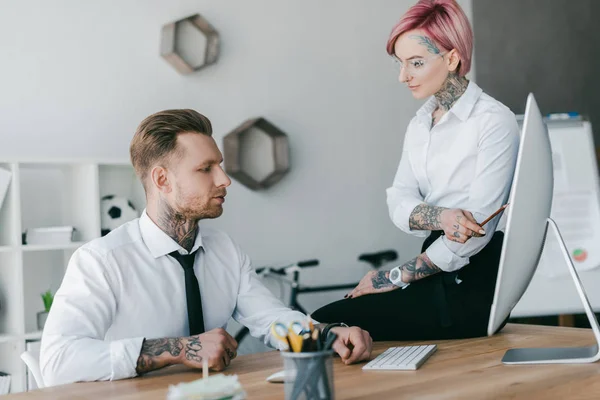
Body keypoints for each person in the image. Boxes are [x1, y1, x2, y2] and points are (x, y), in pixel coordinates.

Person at [40, 109, 373, 386]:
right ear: (161, 180)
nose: (224, 180)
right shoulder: (101, 261)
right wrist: (179, 349)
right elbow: (57, 361)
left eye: (220, 165)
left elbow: (270, 319)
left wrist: (326, 335)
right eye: (205, 169)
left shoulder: (225, 249)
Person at [312, 0, 519, 341]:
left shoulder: (494, 121)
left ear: (452, 59)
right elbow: (398, 200)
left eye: (416, 63)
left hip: (470, 286)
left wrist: (393, 277)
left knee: (327, 323)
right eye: (400, 64)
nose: (403, 76)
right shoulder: (421, 123)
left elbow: (475, 232)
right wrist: (442, 218)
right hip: (435, 272)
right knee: (326, 326)